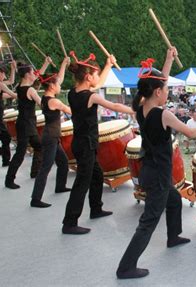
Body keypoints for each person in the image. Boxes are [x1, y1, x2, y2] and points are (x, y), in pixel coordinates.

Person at [117, 48, 196, 279]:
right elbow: (190, 133)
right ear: (158, 92)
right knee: (148, 222)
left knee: (174, 201)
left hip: (150, 169)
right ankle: (126, 267)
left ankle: (173, 236)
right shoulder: (163, 114)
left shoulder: (140, 109)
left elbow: (159, 81)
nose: (168, 92)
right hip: (158, 174)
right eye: (166, 89)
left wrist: (168, 60)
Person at [61, 51, 134, 235]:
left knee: (97, 175)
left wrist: (108, 65)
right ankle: (69, 222)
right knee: (81, 184)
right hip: (86, 144)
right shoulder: (90, 96)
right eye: (94, 74)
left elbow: (98, 84)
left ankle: (96, 208)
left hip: (82, 142)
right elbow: (115, 106)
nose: (96, 78)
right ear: (87, 77)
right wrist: (136, 111)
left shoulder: (73, 93)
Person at [30, 57, 72, 208]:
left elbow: (58, 79)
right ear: (52, 86)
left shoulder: (45, 97)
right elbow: (70, 110)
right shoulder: (54, 101)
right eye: (57, 84)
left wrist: (64, 64)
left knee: (63, 162)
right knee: (45, 168)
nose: (60, 85)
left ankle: (60, 186)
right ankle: (35, 199)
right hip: (50, 137)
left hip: (51, 135)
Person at [5, 58, 53, 189]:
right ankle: (9, 180)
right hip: (27, 124)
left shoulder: (20, 87)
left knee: (38, 147)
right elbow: (42, 104)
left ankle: (34, 172)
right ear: (27, 75)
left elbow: (36, 76)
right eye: (32, 73)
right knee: (21, 153)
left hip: (24, 122)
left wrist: (46, 63)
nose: (34, 75)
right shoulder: (30, 90)